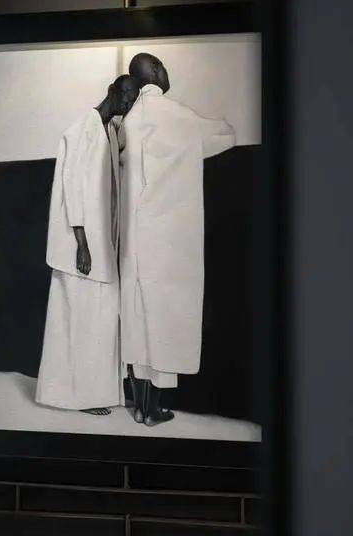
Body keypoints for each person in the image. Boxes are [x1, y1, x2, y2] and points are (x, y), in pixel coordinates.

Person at [120, 53, 236, 426]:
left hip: (134, 236)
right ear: (155, 71)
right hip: (169, 236)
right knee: (166, 318)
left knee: (137, 317)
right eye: (163, 67)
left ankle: (139, 407)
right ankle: (153, 409)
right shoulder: (174, 114)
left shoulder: (130, 120)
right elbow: (224, 134)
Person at [36, 75, 138, 414]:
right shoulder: (82, 128)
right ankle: (79, 398)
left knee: (101, 321)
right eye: (126, 96)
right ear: (112, 91)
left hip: (102, 246)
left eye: (133, 99)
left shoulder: (109, 131)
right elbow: (72, 188)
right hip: (81, 246)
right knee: (79, 320)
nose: (128, 103)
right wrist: (82, 244)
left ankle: (96, 393)